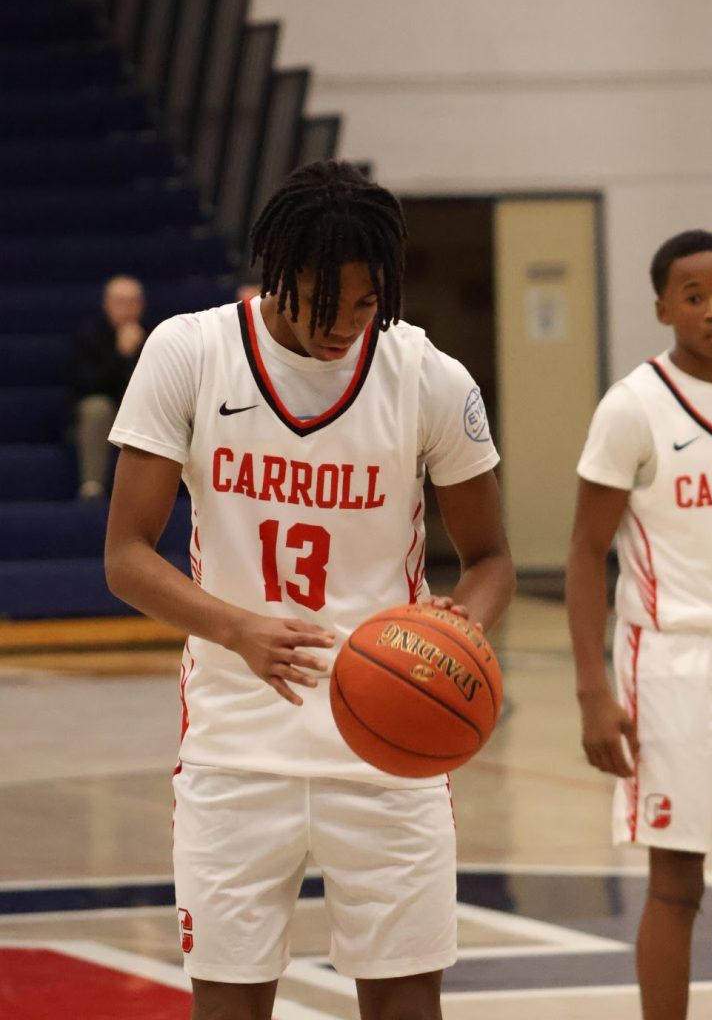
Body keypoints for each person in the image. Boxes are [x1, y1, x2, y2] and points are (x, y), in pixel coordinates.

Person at [104, 159, 516, 1020]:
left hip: (392, 742)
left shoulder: (429, 379)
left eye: (366, 307)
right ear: (277, 274)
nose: (344, 328)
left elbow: (490, 560)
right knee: (228, 1005)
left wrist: (460, 625)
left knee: (405, 1000)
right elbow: (128, 557)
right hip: (233, 741)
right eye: (324, 306)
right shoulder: (190, 352)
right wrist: (238, 629)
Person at [565, 228, 712, 1020]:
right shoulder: (633, 406)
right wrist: (594, 692)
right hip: (666, 661)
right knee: (676, 880)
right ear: (663, 306)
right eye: (694, 296)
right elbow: (584, 551)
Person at [72, 274, 147, 500]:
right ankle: (92, 488)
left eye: (132, 302)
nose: (126, 309)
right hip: (103, 412)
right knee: (97, 408)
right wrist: (120, 355)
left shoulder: (155, 336)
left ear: (141, 306)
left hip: (138, 411)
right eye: (119, 302)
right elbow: (88, 385)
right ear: (106, 304)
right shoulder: (88, 335)